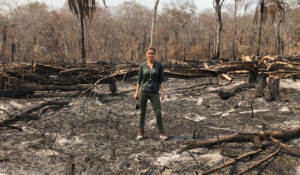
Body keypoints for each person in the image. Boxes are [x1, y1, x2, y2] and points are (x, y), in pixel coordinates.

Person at [134, 47, 167, 141]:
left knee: (158, 112)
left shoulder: (158, 65)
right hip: (143, 91)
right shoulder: (142, 66)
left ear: (155, 54)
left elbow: (161, 80)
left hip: (154, 92)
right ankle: (140, 131)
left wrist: (162, 92)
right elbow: (139, 80)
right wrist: (136, 92)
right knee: (142, 112)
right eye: (148, 53)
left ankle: (161, 132)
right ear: (146, 54)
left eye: (152, 53)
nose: (150, 55)